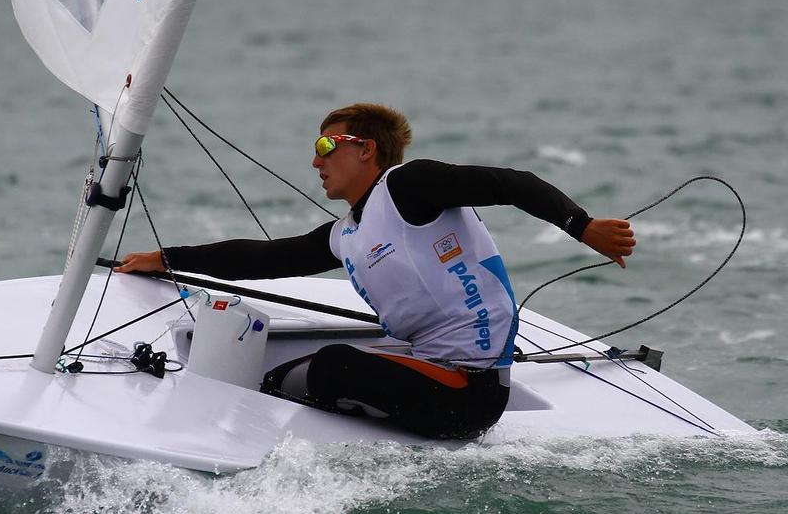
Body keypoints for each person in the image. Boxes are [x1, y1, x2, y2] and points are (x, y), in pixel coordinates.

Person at [117, 103, 635, 440]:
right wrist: (167, 259)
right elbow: (266, 258)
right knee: (277, 376)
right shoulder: (347, 233)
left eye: (326, 147)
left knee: (335, 365)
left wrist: (581, 225)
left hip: (469, 392)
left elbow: (510, 183)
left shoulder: (410, 185)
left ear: (365, 149)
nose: (316, 162)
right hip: (428, 367)